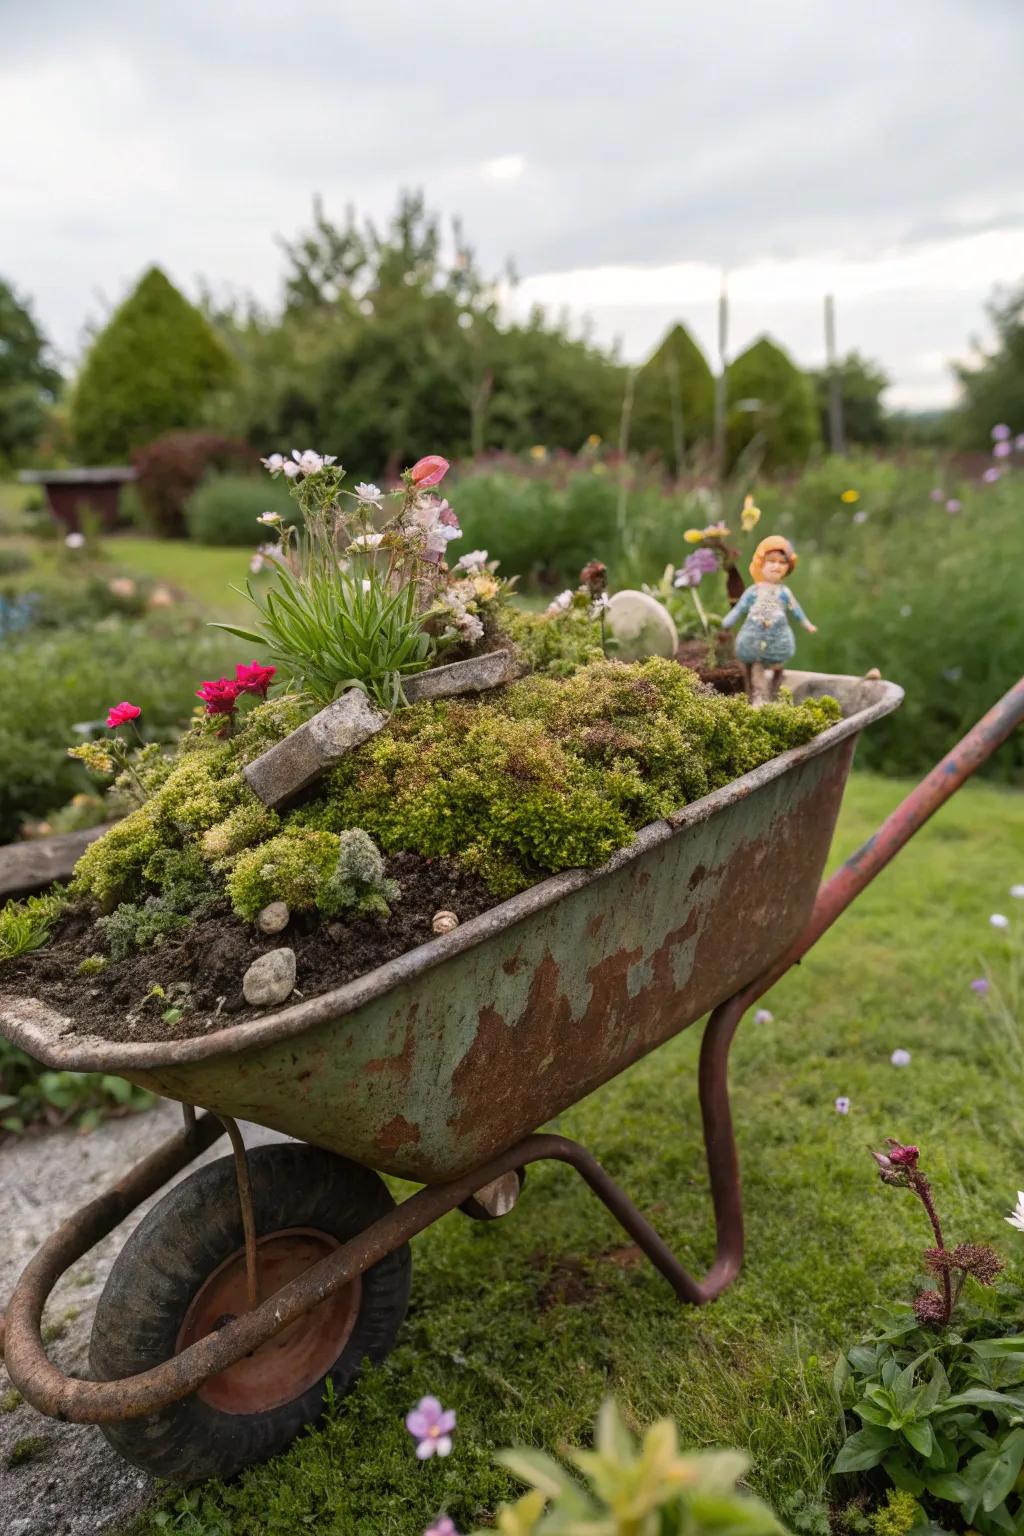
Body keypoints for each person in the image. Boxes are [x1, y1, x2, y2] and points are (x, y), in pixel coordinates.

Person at [720, 534, 816, 705]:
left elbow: (796, 609)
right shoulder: (754, 591)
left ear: (788, 567)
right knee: (753, 662)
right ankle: (754, 693)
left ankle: (776, 685)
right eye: (771, 561)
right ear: (760, 564)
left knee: (777, 661)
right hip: (754, 632)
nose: (776, 566)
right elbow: (741, 607)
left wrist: (806, 624)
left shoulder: (784, 592)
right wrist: (727, 622)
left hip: (777, 633)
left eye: (782, 563)